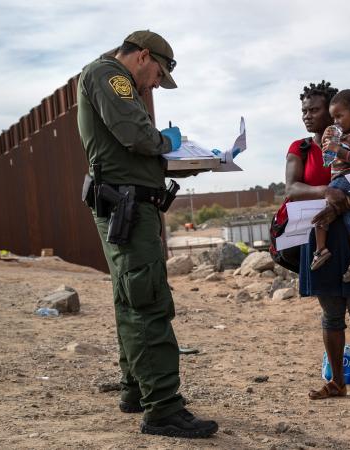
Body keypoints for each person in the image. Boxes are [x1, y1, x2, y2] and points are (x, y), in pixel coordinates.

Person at [77, 30, 218, 439]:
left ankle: (136, 390)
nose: (156, 83)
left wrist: (194, 160)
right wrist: (165, 142)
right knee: (148, 302)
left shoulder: (113, 81)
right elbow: (137, 137)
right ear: (142, 56)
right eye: (158, 73)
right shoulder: (109, 75)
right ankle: (163, 409)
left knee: (130, 299)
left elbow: (134, 151)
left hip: (127, 202)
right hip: (126, 208)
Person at [285, 81, 350, 405]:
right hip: (319, 237)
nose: (308, 115)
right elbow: (292, 188)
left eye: (315, 109)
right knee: (330, 313)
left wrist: (340, 207)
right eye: (304, 110)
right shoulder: (300, 149)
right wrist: (326, 194)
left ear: (335, 112)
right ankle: (337, 383)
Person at [312, 89, 350, 282]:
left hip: (348, 179)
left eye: (339, 116)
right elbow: (328, 160)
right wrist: (329, 148)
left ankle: (320, 249)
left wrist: (337, 149)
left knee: (323, 207)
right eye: (333, 117)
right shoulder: (343, 135)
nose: (336, 121)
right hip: (348, 181)